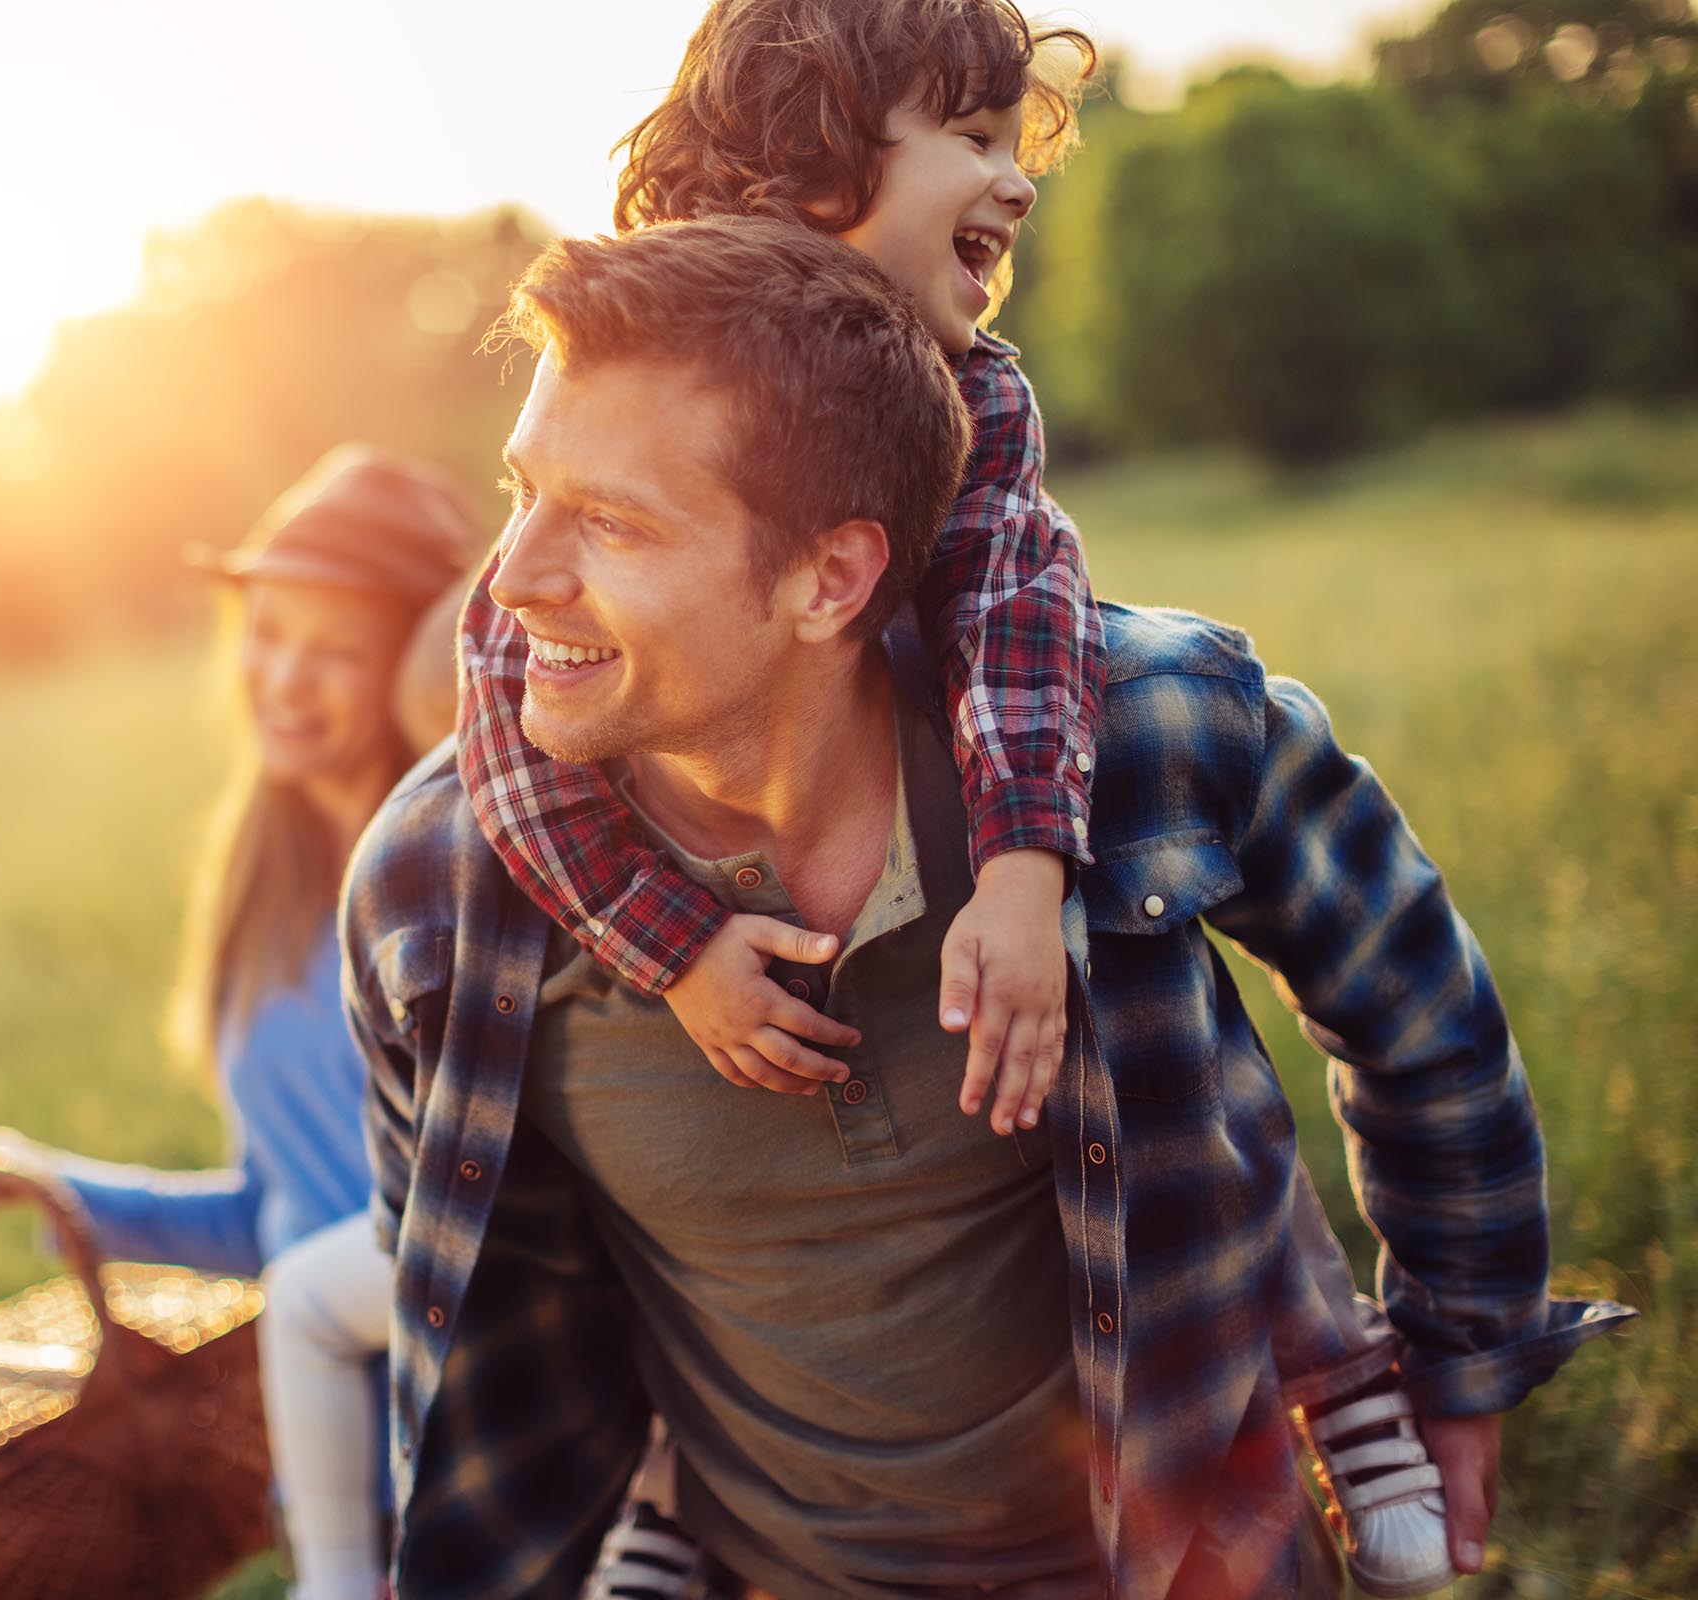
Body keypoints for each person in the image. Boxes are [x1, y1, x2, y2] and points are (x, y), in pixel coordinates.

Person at [340, 216, 1631, 1598]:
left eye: (610, 520)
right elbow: (473, 1327)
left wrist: (1467, 1351)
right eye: (521, 491)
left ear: (830, 576)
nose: (516, 576)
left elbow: (1420, 1013)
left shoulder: (1148, 728)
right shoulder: (434, 899)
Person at [453, 3, 1464, 1591]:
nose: (1018, 180)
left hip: (983, 858)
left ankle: (1343, 1382)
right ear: (813, 160)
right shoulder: (632, 381)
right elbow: (506, 718)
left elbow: (1018, 601)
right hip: (778, 1363)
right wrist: (672, 945)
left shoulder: (977, 400)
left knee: (1186, 1072)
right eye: (973, 139)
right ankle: (675, 1498)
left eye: (1016, 140)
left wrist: (1021, 867)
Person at [0, 445, 482, 1600]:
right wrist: (45, 1185)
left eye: (336, 651)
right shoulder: (260, 894)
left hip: (470, 1454)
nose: (285, 679)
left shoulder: (448, 887)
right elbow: (281, 1213)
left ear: (415, 666)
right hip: (331, 1478)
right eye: (267, 634)